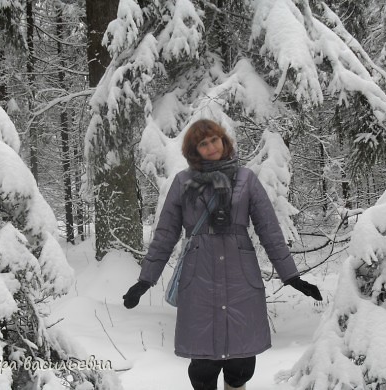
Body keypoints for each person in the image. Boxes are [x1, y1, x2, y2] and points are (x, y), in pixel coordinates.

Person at [123, 119, 322, 390]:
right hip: (199, 278)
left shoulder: (246, 179)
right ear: (194, 151)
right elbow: (165, 235)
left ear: (224, 141)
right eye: (203, 144)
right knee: (203, 366)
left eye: (214, 139)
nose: (211, 146)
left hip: (241, 279)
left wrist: (292, 276)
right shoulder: (183, 182)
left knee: (241, 363)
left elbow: (269, 231)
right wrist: (145, 280)